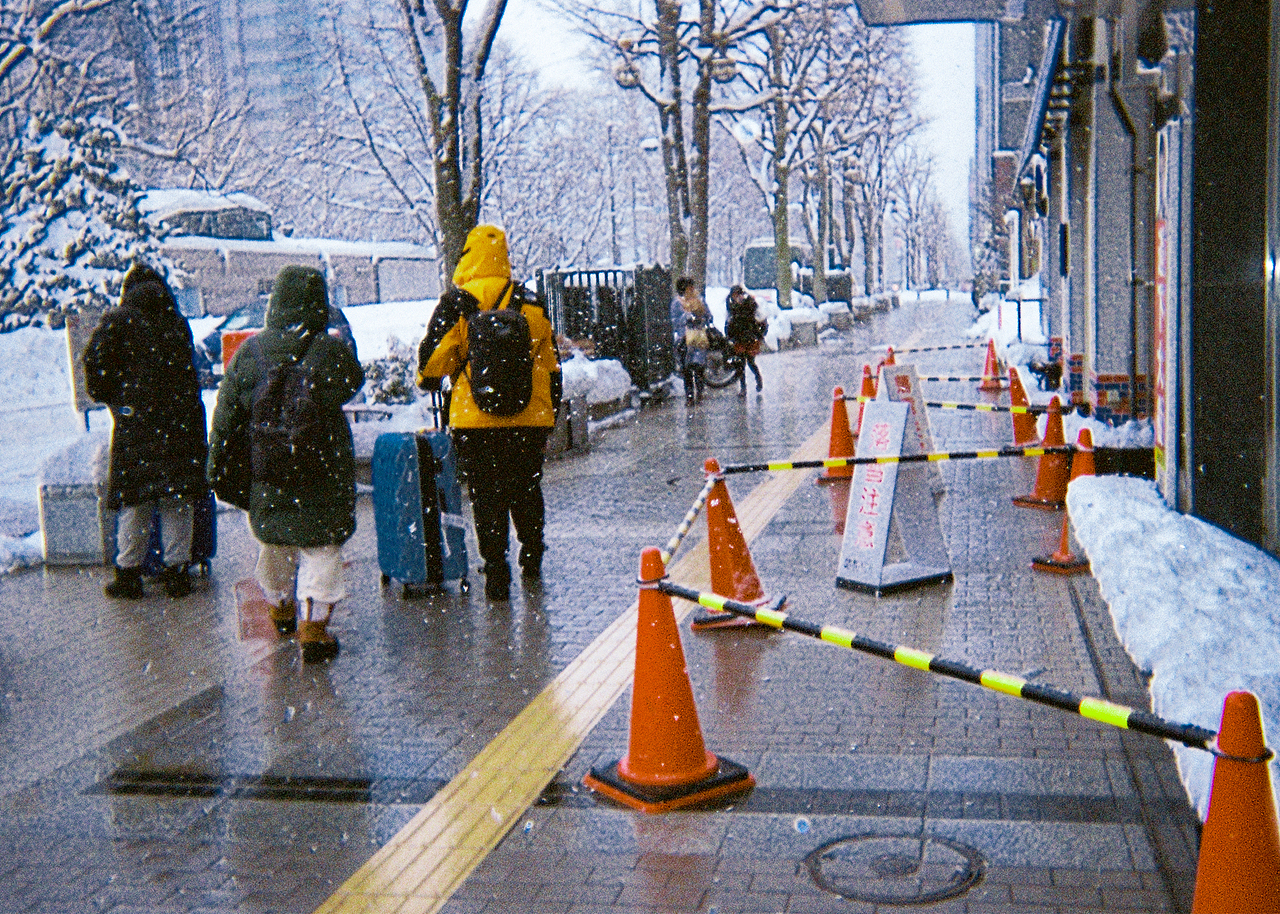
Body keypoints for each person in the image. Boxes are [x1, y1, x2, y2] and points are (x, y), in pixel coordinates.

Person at [207, 265, 364, 663]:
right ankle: (312, 628)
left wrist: (219, 466)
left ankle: (280, 606)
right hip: (321, 467)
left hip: (269, 467)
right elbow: (353, 380)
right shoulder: (327, 351)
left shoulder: (250, 353)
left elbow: (226, 415)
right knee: (321, 546)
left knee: (275, 540)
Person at [417, 225, 562, 602]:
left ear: (467, 257)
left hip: (475, 421)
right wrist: (548, 414)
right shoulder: (531, 302)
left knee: (487, 496)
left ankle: (496, 570)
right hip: (528, 418)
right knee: (527, 488)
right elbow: (550, 365)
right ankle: (532, 554)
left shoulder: (458, 304)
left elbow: (430, 367)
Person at [83, 263, 209, 600]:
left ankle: (128, 575)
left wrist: (116, 398)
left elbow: (94, 365)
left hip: (137, 422)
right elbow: (188, 374)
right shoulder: (176, 323)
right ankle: (177, 573)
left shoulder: (118, 320)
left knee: (136, 500)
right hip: (179, 422)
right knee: (176, 498)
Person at [674, 278, 710, 405]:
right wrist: (686, 317)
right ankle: (689, 396)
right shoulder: (677, 303)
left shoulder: (699, 301)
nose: (692, 290)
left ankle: (699, 391)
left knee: (699, 366)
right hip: (684, 340)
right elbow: (674, 321)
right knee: (687, 369)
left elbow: (709, 316)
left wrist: (701, 316)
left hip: (698, 337)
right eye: (689, 288)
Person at [725, 284, 766, 395]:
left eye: (738, 295)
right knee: (740, 364)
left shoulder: (750, 304)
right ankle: (743, 387)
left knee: (751, 362)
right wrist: (729, 335)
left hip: (750, 337)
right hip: (738, 337)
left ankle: (758, 378)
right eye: (734, 296)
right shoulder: (730, 305)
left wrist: (758, 334)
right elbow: (728, 321)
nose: (737, 298)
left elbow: (759, 319)